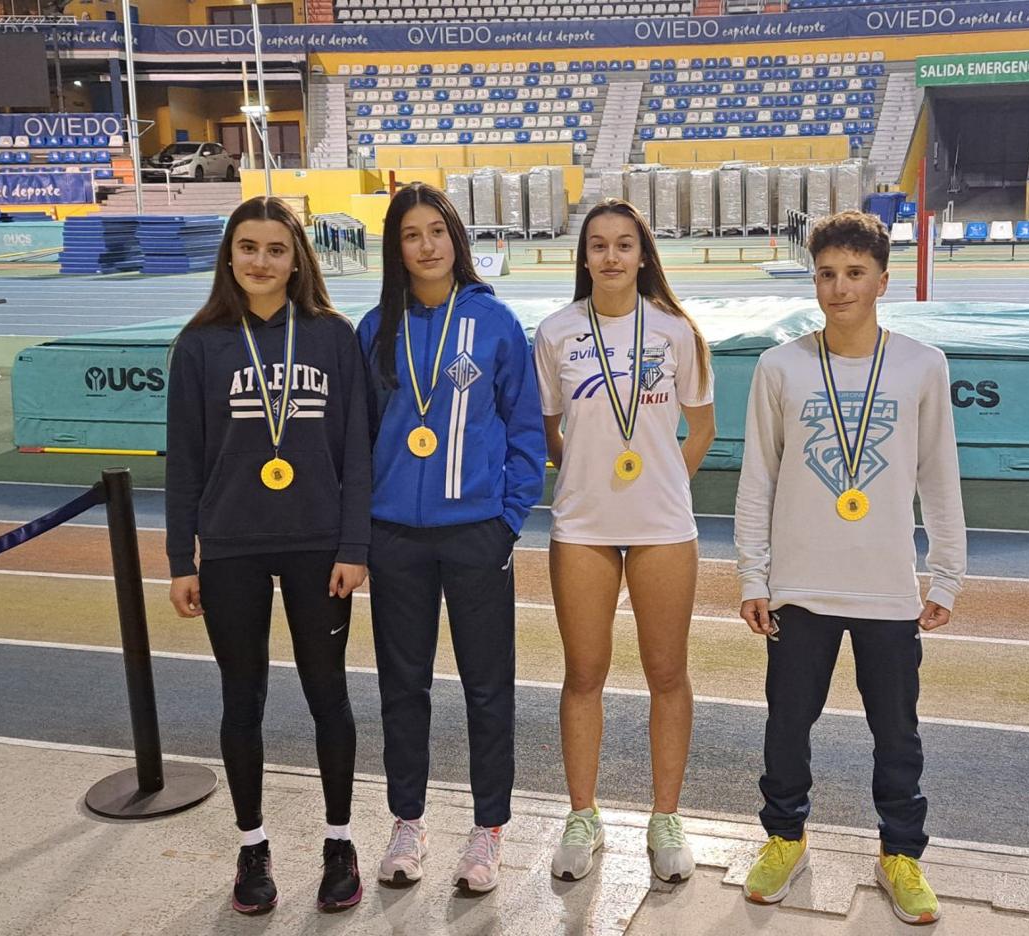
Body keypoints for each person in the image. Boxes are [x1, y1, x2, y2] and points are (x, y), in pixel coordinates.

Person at [734, 210, 966, 924]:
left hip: (887, 587)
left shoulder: (921, 365)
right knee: (786, 726)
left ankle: (900, 853)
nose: (839, 288)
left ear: (882, 282)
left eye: (855, 274)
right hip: (800, 586)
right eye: (827, 274)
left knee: (896, 733)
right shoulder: (780, 367)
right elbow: (758, 478)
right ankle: (785, 838)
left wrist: (947, 573)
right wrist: (752, 576)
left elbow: (939, 476)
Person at [165, 195, 370, 915]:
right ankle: (252, 846)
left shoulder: (332, 336)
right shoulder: (200, 344)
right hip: (231, 548)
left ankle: (339, 841)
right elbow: (185, 461)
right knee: (241, 698)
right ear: (229, 256)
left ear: (296, 259)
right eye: (248, 247)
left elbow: (356, 451)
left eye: (275, 249)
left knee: (328, 695)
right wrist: (181, 559)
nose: (261, 261)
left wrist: (354, 544)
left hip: (318, 544)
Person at [357, 182, 545, 894]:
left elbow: (525, 429)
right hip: (395, 537)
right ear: (396, 248)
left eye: (437, 231)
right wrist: (366, 525)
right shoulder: (375, 328)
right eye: (411, 234)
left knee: (488, 689)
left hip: (476, 535)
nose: (427, 245)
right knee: (402, 687)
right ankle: (408, 821)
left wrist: (507, 519)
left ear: (456, 238)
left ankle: (488, 828)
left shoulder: (495, 324)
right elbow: (358, 438)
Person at [533, 198, 716, 884]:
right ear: (583, 258)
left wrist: (663, 482)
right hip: (582, 526)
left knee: (667, 674)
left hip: (662, 527)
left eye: (624, 244)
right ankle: (583, 815)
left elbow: (701, 428)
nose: (611, 256)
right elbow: (550, 431)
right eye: (598, 245)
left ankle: (666, 819)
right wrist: (588, 477)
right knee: (584, 675)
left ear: (642, 256)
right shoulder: (556, 333)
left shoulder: (675, 331)